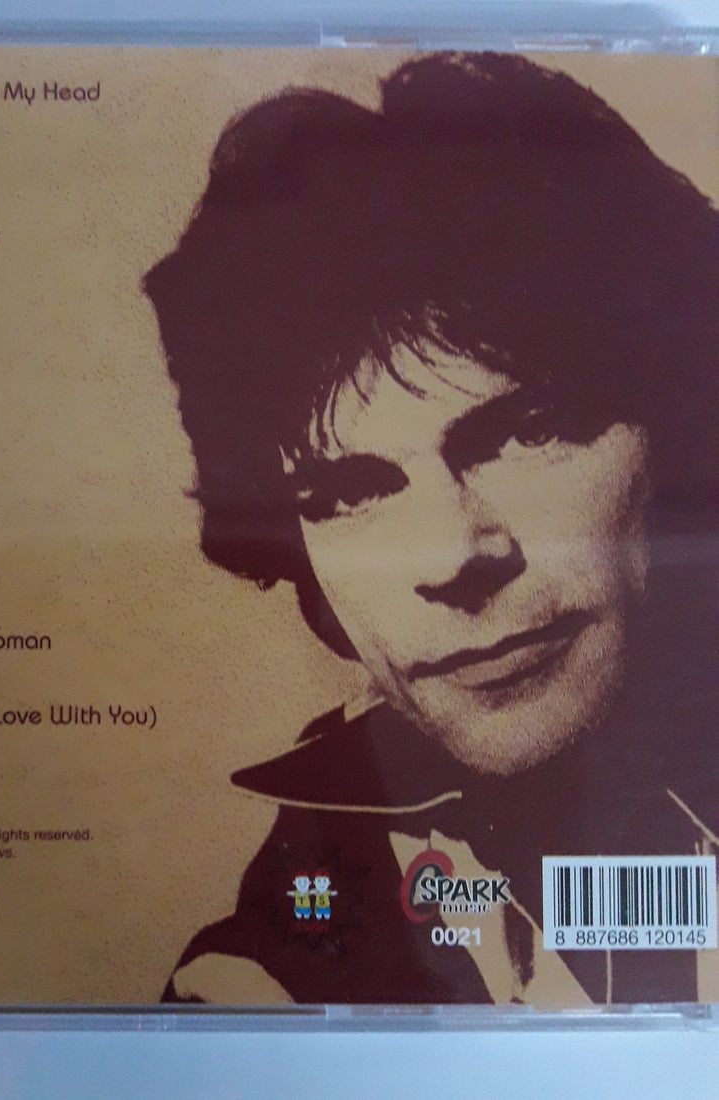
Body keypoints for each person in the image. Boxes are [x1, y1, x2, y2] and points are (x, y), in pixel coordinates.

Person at [143, 52, 717, 1005]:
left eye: (526, 431)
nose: (455, 555)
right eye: (346, 492)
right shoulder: (263, 971)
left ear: (678, 434)